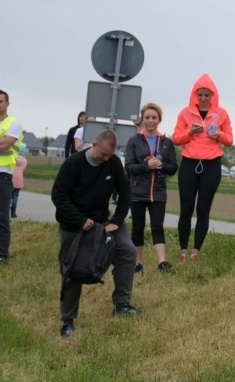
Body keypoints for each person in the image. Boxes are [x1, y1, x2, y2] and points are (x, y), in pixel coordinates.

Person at [51, 130, 142, 339]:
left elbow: (126, 192)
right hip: (73, 226)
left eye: (110, 156)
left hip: (103, 223)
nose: (106, 159)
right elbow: (58, 195)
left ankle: (122, 305)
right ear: (93, 145)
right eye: (103, 155)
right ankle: (68, 321)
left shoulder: (112, 163)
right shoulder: (73, 164)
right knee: (71, 270)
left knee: (128, 252)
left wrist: (116, 221)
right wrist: (80, 220)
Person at [172, 74, 234, 264]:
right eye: (200, 95)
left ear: (213, 95)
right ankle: (183, 250)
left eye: (207, 95)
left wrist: (218, 135)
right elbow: (176, 138)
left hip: (211, 164)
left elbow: (230, 140)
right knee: (186, 208)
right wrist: (190, 132)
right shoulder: (185, 113)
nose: (204, 99)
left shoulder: (221, 113)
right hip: (189, 163)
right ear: (195, 95)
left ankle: (196, 251)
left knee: (203, 209)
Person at [125, 103, 179, 274]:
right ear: (142, 119)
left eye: (153, 118)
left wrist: (160, 166)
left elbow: (173, 167)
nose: (150, 121)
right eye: (147, 117)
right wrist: (147, 165)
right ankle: (137, 264)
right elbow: (129, 167)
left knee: (158, 227)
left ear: (159, 120)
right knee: (138, 228)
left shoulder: (167, 142)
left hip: (158, 193)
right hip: (138, 192)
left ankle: (162, 263)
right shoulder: (134, 141)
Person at [0, 90, 23, 265]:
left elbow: (5, 144)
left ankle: (2, 255)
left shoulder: (13, 123)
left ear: (7, 103)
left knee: (2, 217)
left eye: (1, 101)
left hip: (3, 175)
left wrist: (3, 141)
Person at [10, 143, 28, 218]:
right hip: (19, 181)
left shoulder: (13, 158)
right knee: (15, 196)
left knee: (8, 196)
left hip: (10, 179)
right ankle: (13, 212)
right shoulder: (25, 161)